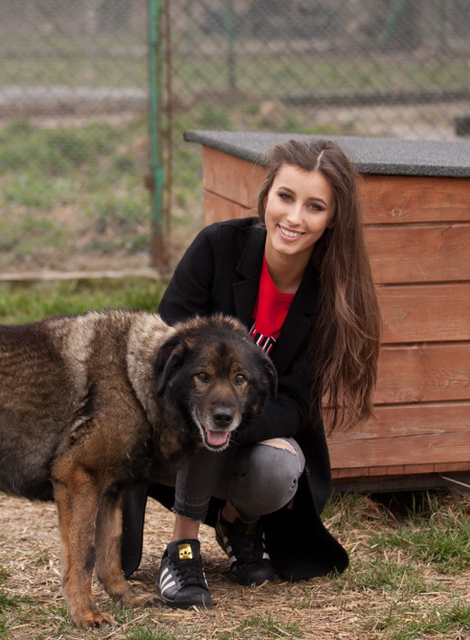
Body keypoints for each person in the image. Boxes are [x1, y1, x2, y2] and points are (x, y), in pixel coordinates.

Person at [121, 137, 381, 608]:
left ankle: (238, 522)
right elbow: (163, 348)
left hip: (255, 447)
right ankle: (181, 549)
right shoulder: (217, 247)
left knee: (276, 463)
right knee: (211, 408)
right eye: (285, 197)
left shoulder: (333, 297)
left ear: (333, 219)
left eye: (315, 206)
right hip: (178, 440)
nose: (294, 217)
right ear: (265, 198)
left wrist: (233, 415)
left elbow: (297, 405)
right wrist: (219, 405)